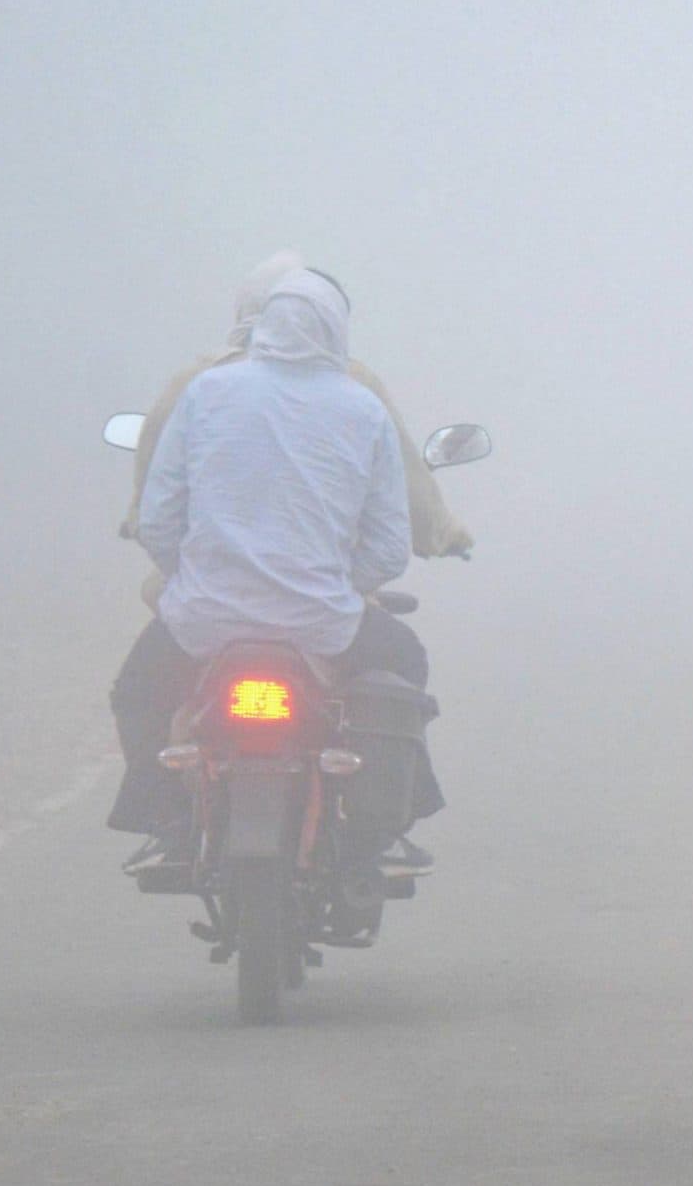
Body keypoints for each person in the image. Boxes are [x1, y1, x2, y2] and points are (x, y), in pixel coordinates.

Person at [108, 270, 443, 866]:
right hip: (321, 623)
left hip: (205, 620)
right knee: (404, 660)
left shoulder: (206, 393)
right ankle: (382, 826)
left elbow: (158, 518)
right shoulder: (363, 409)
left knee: (139, 690)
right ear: (337, 330)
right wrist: (340, 589)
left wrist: (190, 579)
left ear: (261, 325)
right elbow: (391, 546)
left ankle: (167, 821)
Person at [119, 252, 472, 589]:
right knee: (391, 634)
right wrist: (442, 534)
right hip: (324, 604)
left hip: (204, 600)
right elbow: (407, 494)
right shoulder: (358, 389)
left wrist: (184, 574)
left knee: (156, 611)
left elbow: (155, 488)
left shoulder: (200, 382)